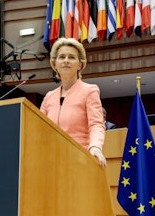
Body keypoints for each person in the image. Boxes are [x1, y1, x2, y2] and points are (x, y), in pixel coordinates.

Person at [40, 38, 107, 167]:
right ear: (55, 64)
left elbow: (96, 125)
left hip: (80, 159)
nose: (66, 60)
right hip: (51, 161)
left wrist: (95, 147)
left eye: (71, 57)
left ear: (80, 64)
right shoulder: (49, 97)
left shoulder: (90, 91)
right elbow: (39, 129)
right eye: (61, 57)